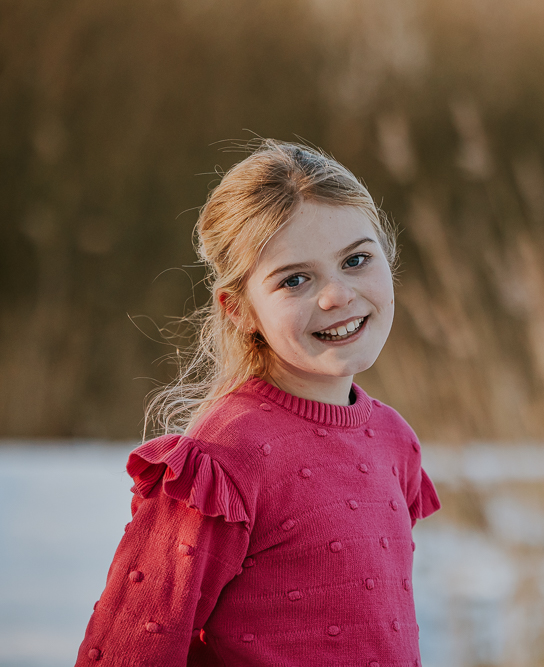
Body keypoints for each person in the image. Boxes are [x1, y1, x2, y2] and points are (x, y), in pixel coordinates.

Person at [76, 140, 440, 666]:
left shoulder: (393, 439)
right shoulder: (222, 460)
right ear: (240, 309)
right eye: (295, 279)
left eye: (356, 260)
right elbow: (131, 648)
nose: (336, 295)